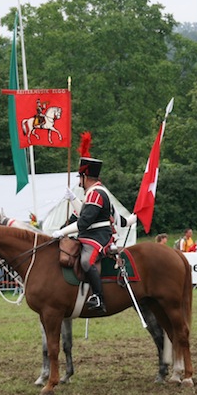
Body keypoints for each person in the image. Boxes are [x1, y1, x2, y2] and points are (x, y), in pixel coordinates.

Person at [52, 134, 125, 313]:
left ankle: (99, 298)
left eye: (80, 178)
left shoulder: (97, 193)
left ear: (86, 176)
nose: (79, 182)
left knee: (86, 261)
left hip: (98, 236)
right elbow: (82, 212)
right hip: (89, 234)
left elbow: (83, 222)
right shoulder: (91, 194)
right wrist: (73, 198)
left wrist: (61, 233)